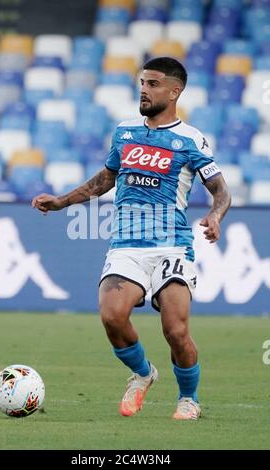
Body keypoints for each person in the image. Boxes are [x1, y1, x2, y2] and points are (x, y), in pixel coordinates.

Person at [32, 57, 231, 420]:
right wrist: (62, 201)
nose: (144, 89)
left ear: (175, 91)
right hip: (126, 244)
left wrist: (215, 216)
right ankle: (142, 373)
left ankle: (189, 398)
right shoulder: (124, 131)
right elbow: (104, 180)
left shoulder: (191, 139)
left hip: (171, 246)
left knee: (175, 329)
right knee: (112, 316)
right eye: (142, 82)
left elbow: (221, 191)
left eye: (153, 84)